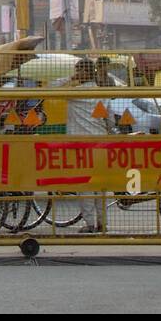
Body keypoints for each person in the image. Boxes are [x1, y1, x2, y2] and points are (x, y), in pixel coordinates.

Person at [65, 58, 111, 233]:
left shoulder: (73, 94)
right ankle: (102, 223)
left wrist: (70, 78)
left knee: (85, 185)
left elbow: (52, 87)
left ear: (83, 72)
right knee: (100, 185)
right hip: (101, 144)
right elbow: (109, 120)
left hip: (81, 145)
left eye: (77, 70)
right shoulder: (102, 93)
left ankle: (90, 224)